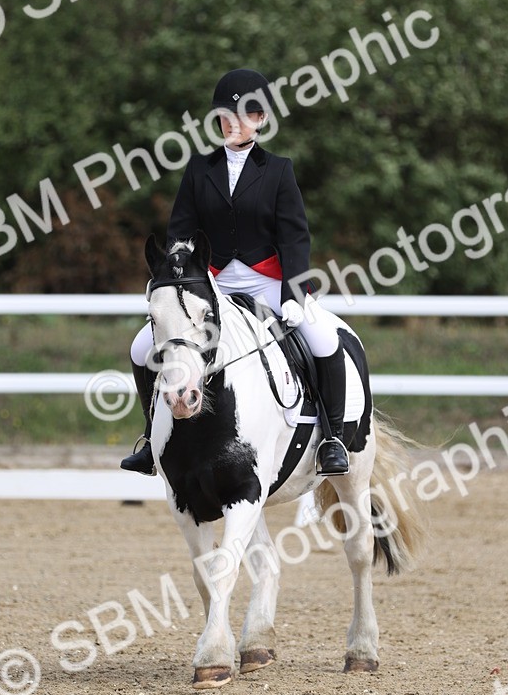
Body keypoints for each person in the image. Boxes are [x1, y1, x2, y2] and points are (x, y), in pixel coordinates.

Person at [121, 67, 350, 477]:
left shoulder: (279, 171)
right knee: (142, 348)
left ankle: (333, 438)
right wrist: (176, 279)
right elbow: (180, 233)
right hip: (212, 282)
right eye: (224, 116)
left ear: (260, 120)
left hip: (269, 279)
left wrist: (293, 297)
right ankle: (149, 439)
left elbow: (295, 238)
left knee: (324, 338)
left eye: (241, 116)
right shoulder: (198, 169)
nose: (231, 123)